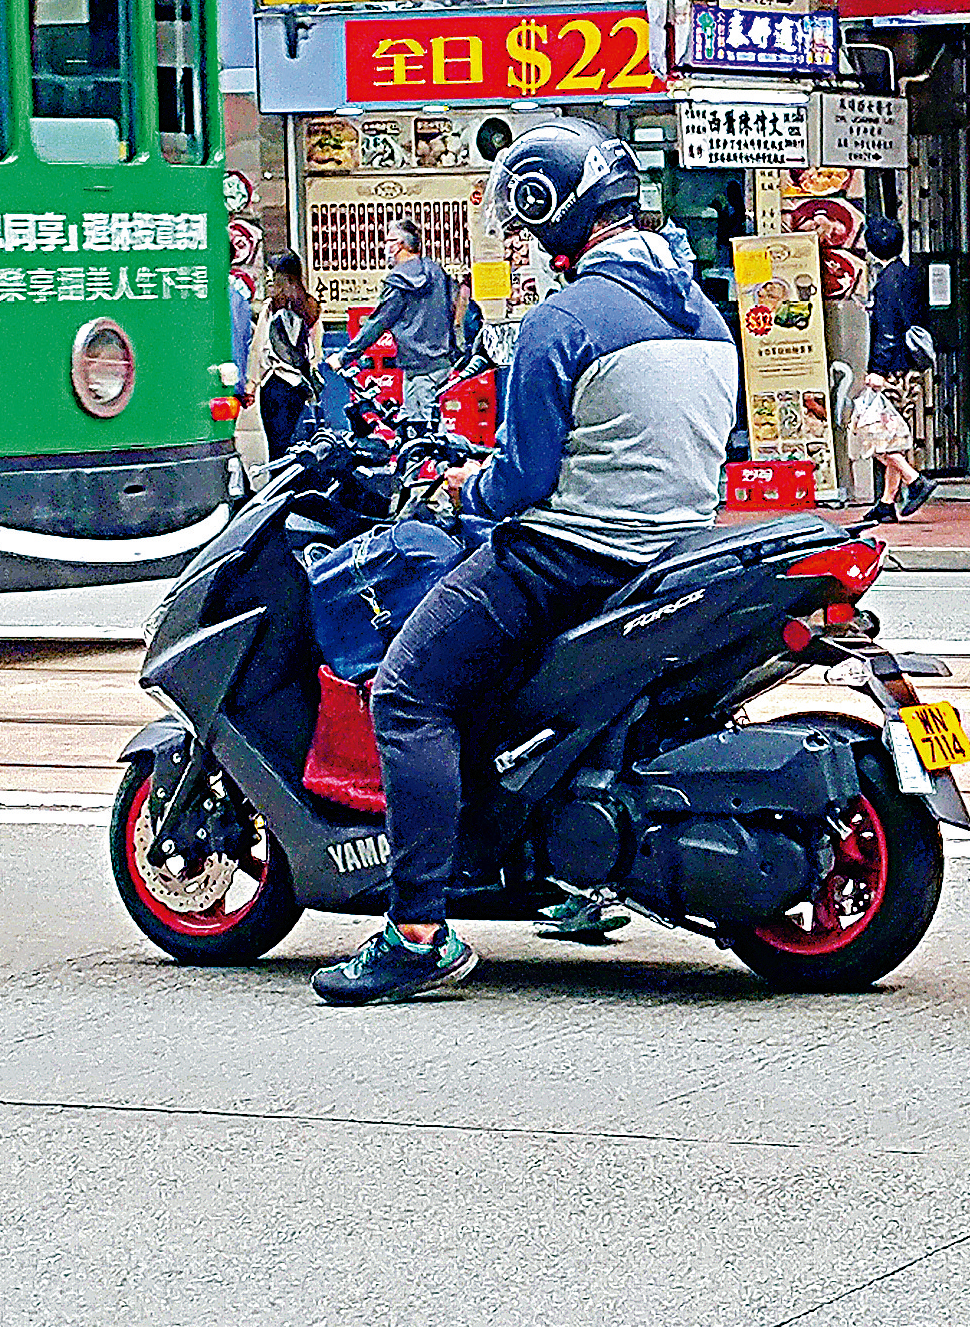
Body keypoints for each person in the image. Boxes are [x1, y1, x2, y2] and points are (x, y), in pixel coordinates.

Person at [312, 121, 740, 1006]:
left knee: (407, 692)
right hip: (679, 550)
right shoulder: (703, 309)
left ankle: (416, 931)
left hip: (570, 557)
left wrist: (461, 486)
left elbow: (521, 480)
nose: (528, 244)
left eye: (526, 223)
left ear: (552, 212)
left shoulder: (563, 320)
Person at [858, 218, 937, 521]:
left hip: (892, 368)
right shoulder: (908, 274)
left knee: (872, 433)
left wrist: (878, 369)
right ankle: (887, 503)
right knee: (893, 435)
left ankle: (914, 480)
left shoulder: (887, 283)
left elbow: (888, 330)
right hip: (910, 367)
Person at [347, 218, 460, 426]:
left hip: (417, 367)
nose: (384, 247)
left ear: (399, 245)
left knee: (422, 436)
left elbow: (379, 322)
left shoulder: (398, 281)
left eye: (387, 241)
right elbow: (455, 305)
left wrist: (346, 355)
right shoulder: (437, 271)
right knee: (431, 426)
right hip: (443, 363)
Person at [256, 252, 322, 460]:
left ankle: (279, 489)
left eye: (270, 273)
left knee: (276, 448)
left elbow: (259, 347)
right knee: (298, 445)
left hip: (276, 383)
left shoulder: (271, 307)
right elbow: (315, 351)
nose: (267, 279)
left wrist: (251, 382)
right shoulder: (311, 306)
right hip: (300, 386)